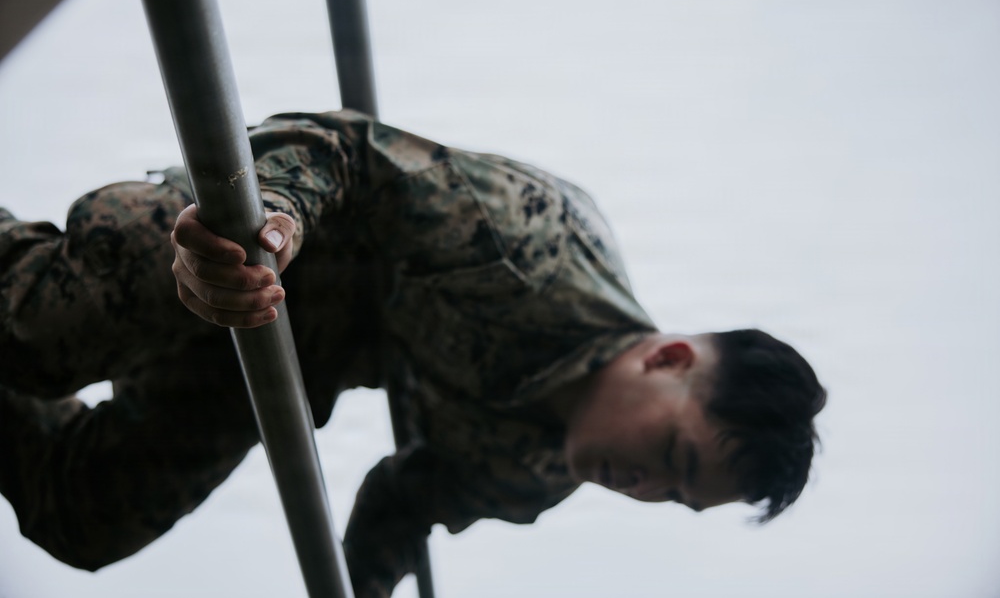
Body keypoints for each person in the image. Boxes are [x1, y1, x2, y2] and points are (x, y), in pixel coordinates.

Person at [0, 110, 826, 597]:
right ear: (671, 358)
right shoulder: (535, 243)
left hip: (285, 357)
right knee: (31, 335)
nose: (645, 486)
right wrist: (271, 221)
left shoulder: (532, 476)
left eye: (676, 494)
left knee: (88, 513)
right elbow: (352, 155)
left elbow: (401, 502)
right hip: (249, 242)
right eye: (673, 453)